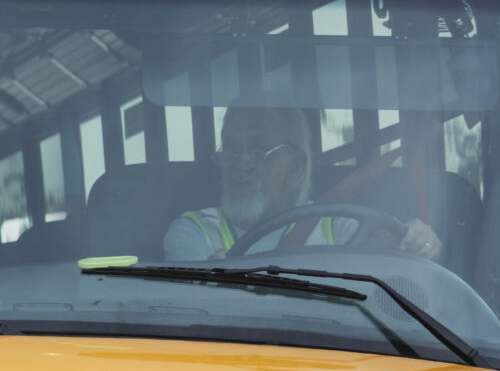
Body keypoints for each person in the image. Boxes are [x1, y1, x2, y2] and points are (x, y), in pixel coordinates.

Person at [165, 99, 441, 261]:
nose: (240, 164)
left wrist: (417, 243)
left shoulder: (343, 226)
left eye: (259, 151)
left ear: (296, 168)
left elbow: (393, 275)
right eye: (231, 149)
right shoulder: (194, 232)